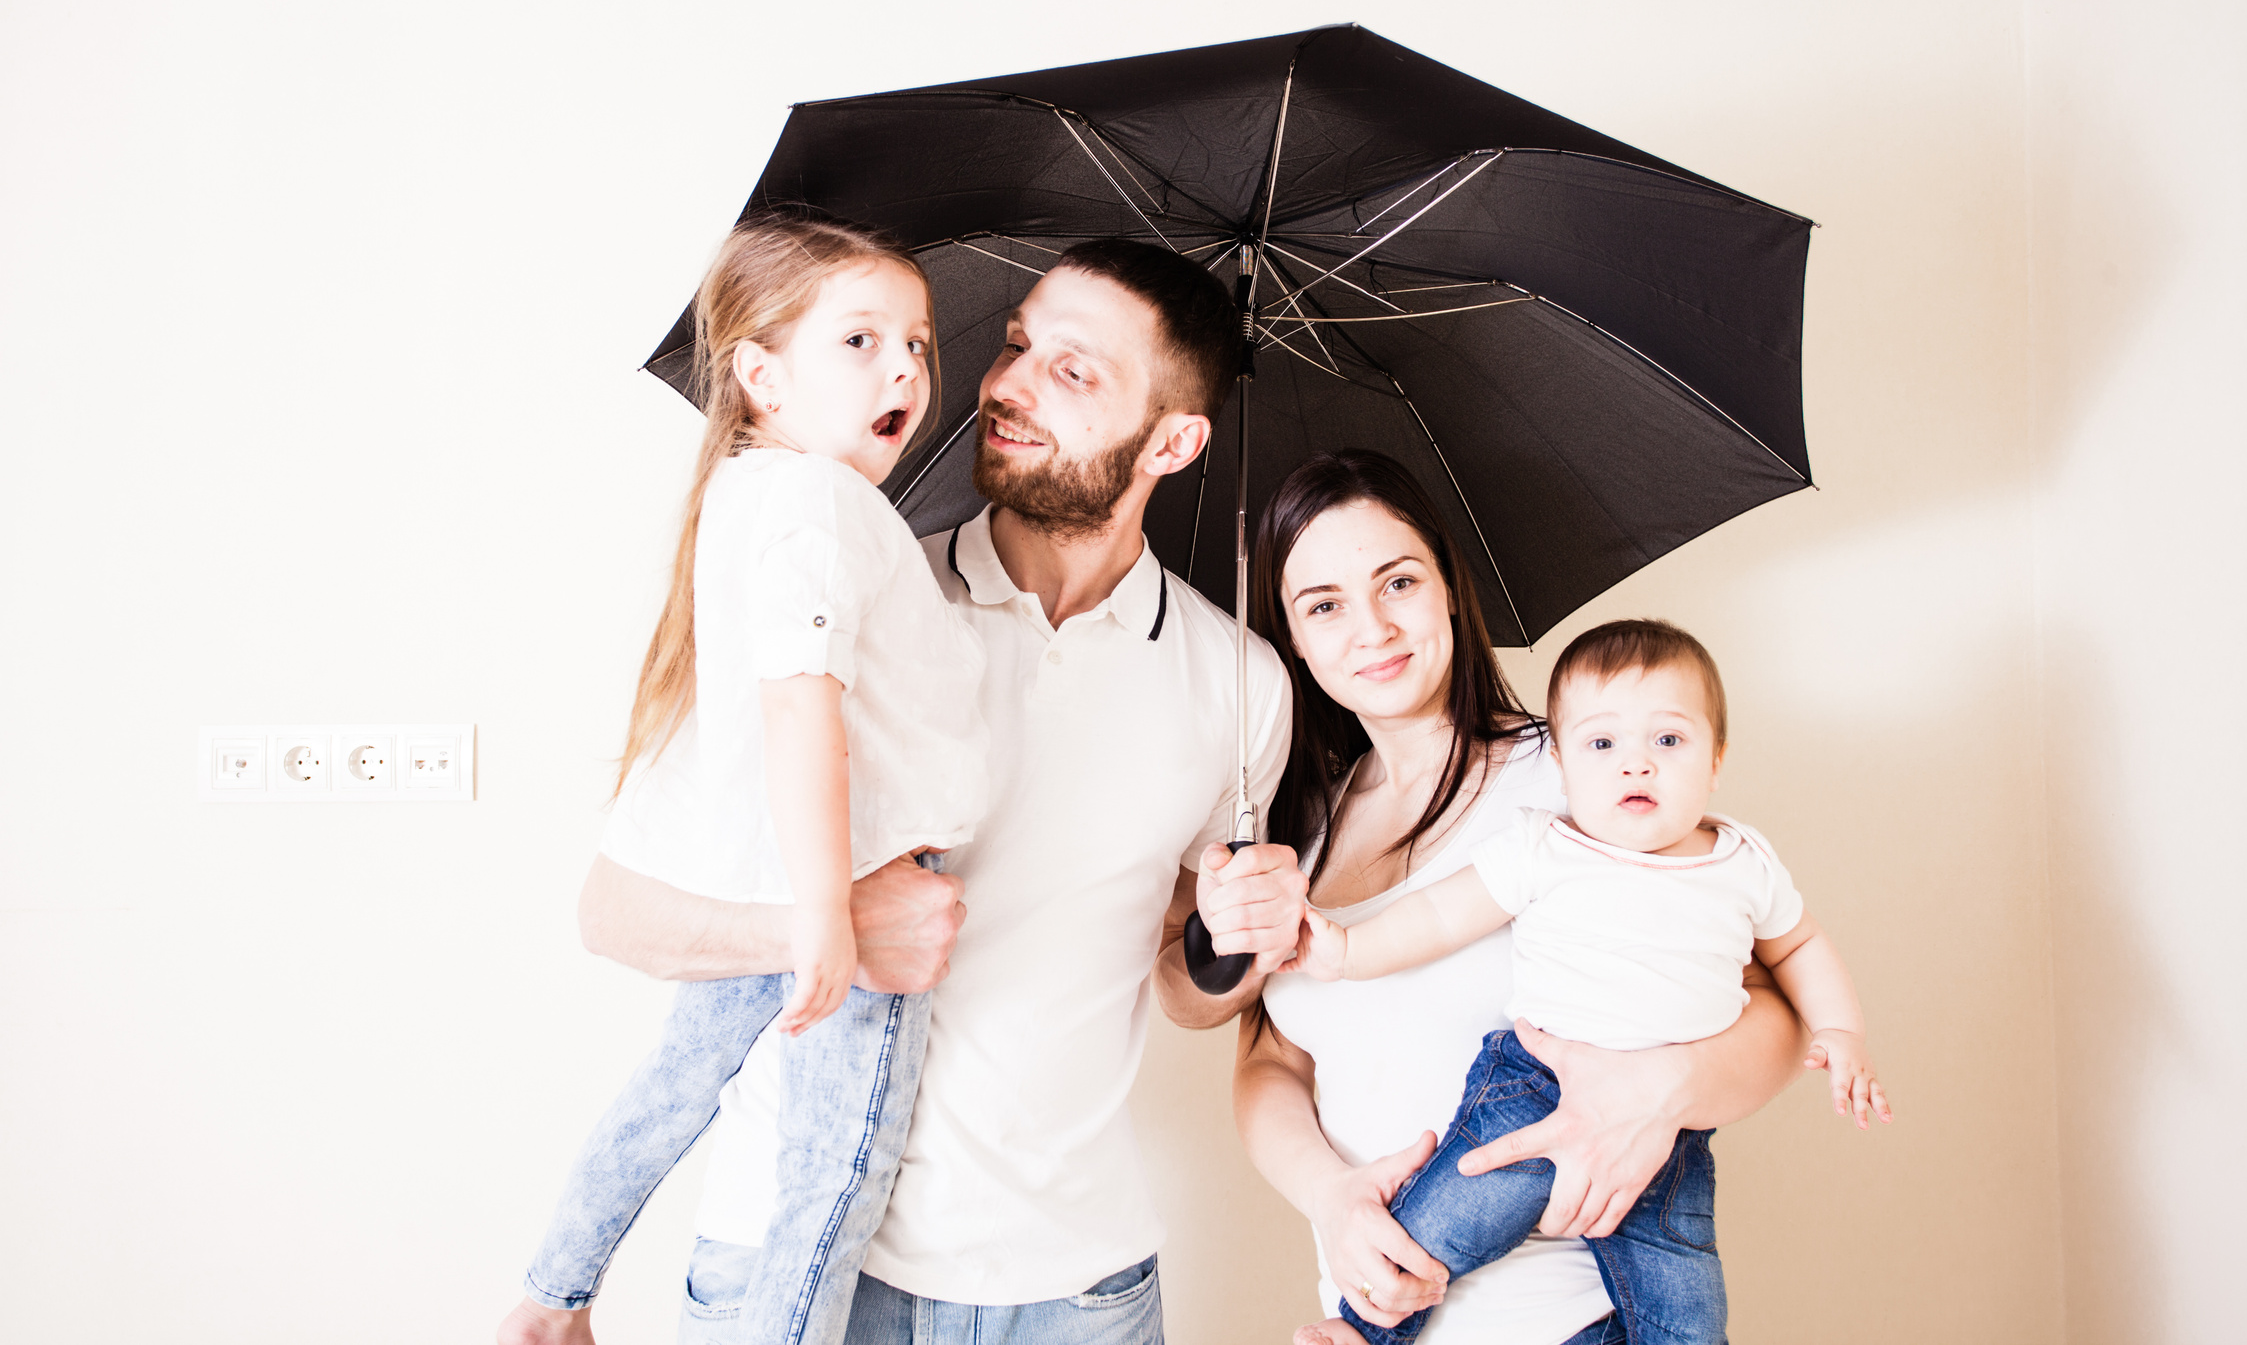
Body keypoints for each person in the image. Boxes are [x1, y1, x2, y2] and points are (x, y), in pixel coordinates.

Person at [573, 237, 1306, 1344]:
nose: (1002, 386)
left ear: (1176, 438)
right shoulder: (849, 586)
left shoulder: (1242, 682)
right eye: (1016, 345)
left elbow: (1183, 987)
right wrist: (827, 925)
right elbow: (615, 914)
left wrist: (1226, 942)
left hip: (1073, 1287)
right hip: (794, 1259)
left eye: (1071, 370)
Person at [498, 214, 989, 1345]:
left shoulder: (749, 494)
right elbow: (799, 699)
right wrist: (825, 913)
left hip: (778, 863)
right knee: (831, 1180)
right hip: (852, 875)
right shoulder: (819, 500)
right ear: (760, 375)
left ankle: (554, 1291)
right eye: (860, 341)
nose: (907, 368)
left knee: (675, 1086)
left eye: (916, 343)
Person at [1234, 452, 1812, 1345]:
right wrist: (1330, 1196)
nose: (1372, 628)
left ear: (1451, 590)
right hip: (1380, 1326)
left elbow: (1777, 1014)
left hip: (1573, 1323)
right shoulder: (1299, 830)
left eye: (1398, 582)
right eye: (1323, 605)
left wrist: (1664, 1090)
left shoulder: (1578, 777)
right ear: (1293, 639)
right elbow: (1271, 1065)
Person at [1291, 617, 1892, 1345]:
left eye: (1667, 741)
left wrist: (1840, 1030)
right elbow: (1442, 914)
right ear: (1565, 769)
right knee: (1445, 1223)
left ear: (1716, 758)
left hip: (1671, 1131)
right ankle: (1364, 1331)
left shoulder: (1742, 860)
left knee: (1690, 1311)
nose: (1634, 765)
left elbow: (1798, 948)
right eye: (1601, 745)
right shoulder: (1547, 845)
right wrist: (1347, 950)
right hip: (1533, 1087)